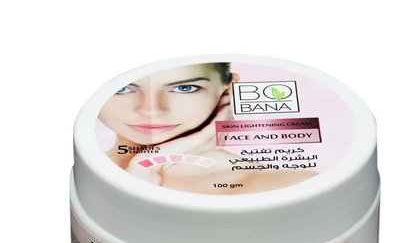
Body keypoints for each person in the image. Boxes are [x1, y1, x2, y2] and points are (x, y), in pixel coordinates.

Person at [98, 63, 317, 194]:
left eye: (184, 88)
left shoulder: (292, 186)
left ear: (228, 89)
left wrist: (148, 163)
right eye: (123, 88)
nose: (151, 110)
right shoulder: (88, 169)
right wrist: (142, 171)